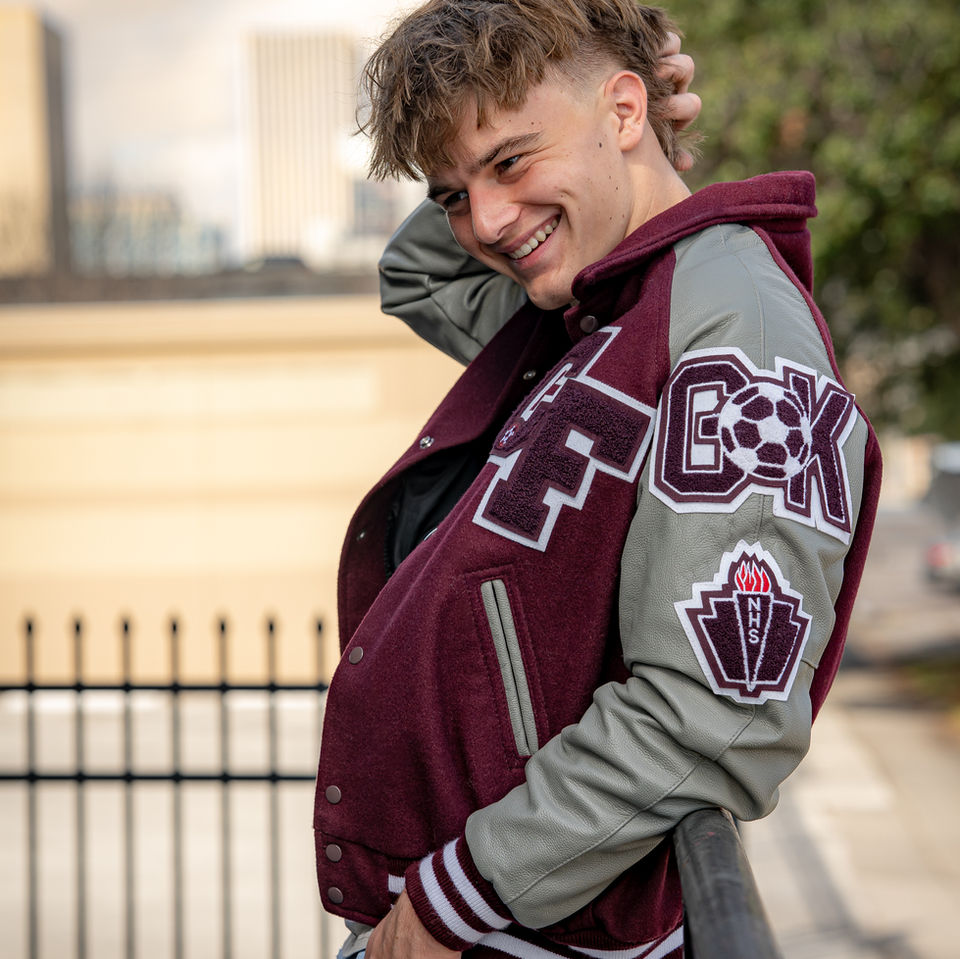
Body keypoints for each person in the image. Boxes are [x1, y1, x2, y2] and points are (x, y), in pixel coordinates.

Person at [314, 2, 882, 958]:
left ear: (624, 114)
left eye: (510, 161)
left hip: (527, 925)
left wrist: (450, 903)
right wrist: (522, 135)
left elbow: (721, 711)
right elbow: (425, 278)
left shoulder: (736, 329)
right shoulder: (597, 295)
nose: (485, 220)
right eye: (454, 192)